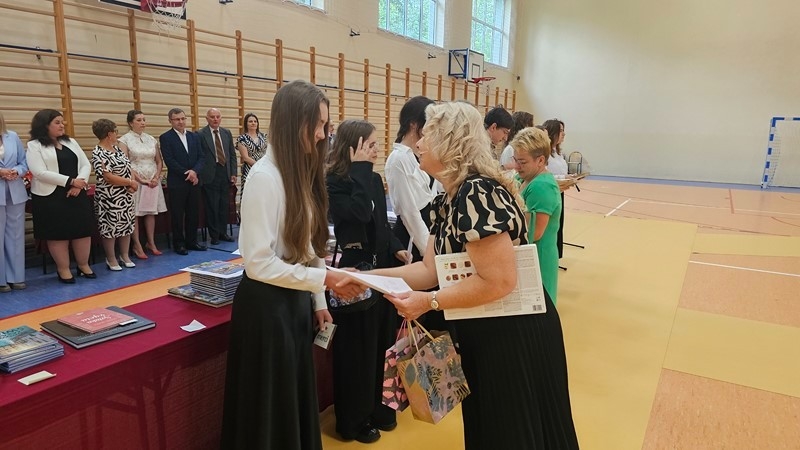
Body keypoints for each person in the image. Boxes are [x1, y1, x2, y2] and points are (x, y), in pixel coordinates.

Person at [351, 102, 579, 449]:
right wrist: (363, 277)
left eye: (428, 135)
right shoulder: (451, 197)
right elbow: (427, 270)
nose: (418, 143)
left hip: (511, 336)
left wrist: (428, 302)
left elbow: (499, 281)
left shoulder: (476, 192)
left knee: (512, 433)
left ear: (450, 142)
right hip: (486, 333)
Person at [220, 80, 362, 449]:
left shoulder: (299, 172)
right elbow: (258, 264)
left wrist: (317, 300)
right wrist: (324, 279)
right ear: (293, 122)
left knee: (292, 402)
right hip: (267, 311)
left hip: (294, 301)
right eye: (317, 124)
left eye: (325, 125)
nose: (322, 134)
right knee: (268, 410)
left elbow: (308, 245)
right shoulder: (264, 178)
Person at [325, 119, 409, 443]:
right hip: (356, 275)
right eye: (370, 145)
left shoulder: (372, 178)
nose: (376, 150)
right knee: (357, 351)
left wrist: (397, 247)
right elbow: (358, 214)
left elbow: (380, 224)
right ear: (354, 147)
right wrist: (360, 169)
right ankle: (353, 419)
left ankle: (378, 406)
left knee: (380, 344)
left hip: (382, 271)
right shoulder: (335, 181)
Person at [27, 109, 96, 283]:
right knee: (58, 234)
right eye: (57, 122)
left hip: (76, 192)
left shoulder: (71, 142)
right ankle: (63, 269)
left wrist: (79, 183)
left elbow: (85, 164)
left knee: (82, 230)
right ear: (45, 125)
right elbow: (39, 172)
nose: (62, 125)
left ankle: (83, 265)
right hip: (50, 197)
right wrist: (70, 181)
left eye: (62, 121)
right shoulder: (35, 146)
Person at [510, 127, 562, 305]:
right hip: (526, 254)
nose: (517, 166)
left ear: (540, 160)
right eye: (515, 160)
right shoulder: (523, 178)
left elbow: (534, 232)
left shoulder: (542, 186)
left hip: (539, 257)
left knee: (538, 305)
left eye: (522, 162)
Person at [384, 95, 435, 262]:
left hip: (429, 228)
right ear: (413, 123)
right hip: (411, 236)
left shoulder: (422, 154)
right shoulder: (398, 159)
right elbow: (408, 211)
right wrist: (427, 250)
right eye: (428, 123)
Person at [118, 109, 167, 259]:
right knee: (136, 213)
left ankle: (151, 242)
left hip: (152, 180)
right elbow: (125, 163)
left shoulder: (151, 139)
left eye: (144, 119)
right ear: (130, 123)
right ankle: (137, 244)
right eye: (139, 120)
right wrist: (140, 179)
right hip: (136, 180)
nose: (142, 123)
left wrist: (156, 177)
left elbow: (158, 160)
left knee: (150, 212)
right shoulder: (124, 140)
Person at [91, 119, 137, 271]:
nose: (117, 134)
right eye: (115, 131)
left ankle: (125, 255)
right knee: (110, 228)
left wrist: (131, 183)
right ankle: (111, 258)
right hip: (109, 196)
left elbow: (128, 167)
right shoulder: (98, 152)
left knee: (126, 225)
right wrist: (129, 182)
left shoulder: (117, 149)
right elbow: (108, 177)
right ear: (109, 134)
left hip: (125, 194)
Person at [159, 108, 206, 255]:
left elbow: (201, 157)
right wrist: (188, 173)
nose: (180, 122)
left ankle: (192, 241)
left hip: (194, 181)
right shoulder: (166, 137)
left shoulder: (194, 136)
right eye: (177, 119)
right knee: (178, 214)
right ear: (170, 121)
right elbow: (169, 160)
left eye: (183, 118)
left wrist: (195, 172)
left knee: (193, 213)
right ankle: (179, 244)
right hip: (178, 181)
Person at [199, 108, 237, 245]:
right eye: (212, 117)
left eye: (217, 116)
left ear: (221, 118)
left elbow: (232, 154)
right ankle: (214, 235)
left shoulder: (226, 133)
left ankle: (223, 232)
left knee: (223, 205)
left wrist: (233, 173)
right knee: (212, 206)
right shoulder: (201, 134)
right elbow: (200, 156)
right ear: (207, 118)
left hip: (224, 172)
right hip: (210, 174)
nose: (215, 119)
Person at [0, 112, 28, 291]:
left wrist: (16, 171)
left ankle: (16, 276)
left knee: (16, 235)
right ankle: (1, 280)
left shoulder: (12, 136)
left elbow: (24, 163)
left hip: (15, 191)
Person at [542, 119, 570, 258]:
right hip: (549, 191)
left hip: (560, 191)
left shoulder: (558, 153)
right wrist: (562, 177)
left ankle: (556, 254)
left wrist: (569, 178)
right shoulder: (545, 152)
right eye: (561, 131)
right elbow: (545, 173)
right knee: (550, 225)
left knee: (558, 224)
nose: (563, 134)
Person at [235, 112, 267, 189]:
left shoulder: (264, 136)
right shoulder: (242, 139)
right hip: (250, 169)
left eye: (255, 121)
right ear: (246, 124)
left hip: (264, 168)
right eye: (250, 121)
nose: (253, 123)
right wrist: (258, 166)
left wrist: (264, 166)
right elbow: (245, 157)